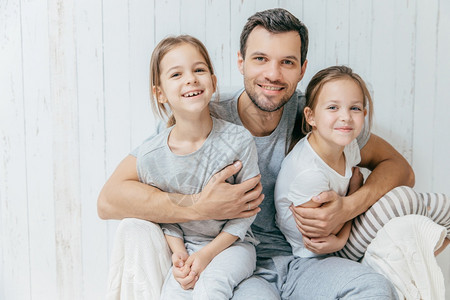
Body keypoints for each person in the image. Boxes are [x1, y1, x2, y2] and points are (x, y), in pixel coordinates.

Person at [98, 8, 447, 299]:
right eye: (260, 59)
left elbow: (399, 168)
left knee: (373, 288)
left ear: (302, 68)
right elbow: (110, 200)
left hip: (306, 262)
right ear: (240, 62)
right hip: (237, 261)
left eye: (287, 62)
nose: (272, 74)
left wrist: (347, 208)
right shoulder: (202, 115)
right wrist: (199, 206)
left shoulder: (316, 116)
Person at [275, 65, 450, 261]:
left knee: (445, 207)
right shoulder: (308, 173)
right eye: (333, 107)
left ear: (364, 115)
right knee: (404, 200)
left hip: (343, 230)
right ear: (311, 116)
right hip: (324, 251)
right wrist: (354, 191)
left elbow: (403, 173)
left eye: (355, 108)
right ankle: (410, 258)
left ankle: (417, 255)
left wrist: (351, 201)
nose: (346, 117)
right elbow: (319, 237)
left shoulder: (348, 146)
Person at [134, 35, 260, 299]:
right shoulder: (151, 157)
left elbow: (246, 214)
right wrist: (179, 254)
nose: (190, 78)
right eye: (176, 74)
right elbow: (167, 217)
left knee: (210, 287)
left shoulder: (238, 140)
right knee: (173, 292)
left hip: (234, 246)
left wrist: (205, 256)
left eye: (199, 70)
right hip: (187, 248)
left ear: (213, 83)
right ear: (160, 93)